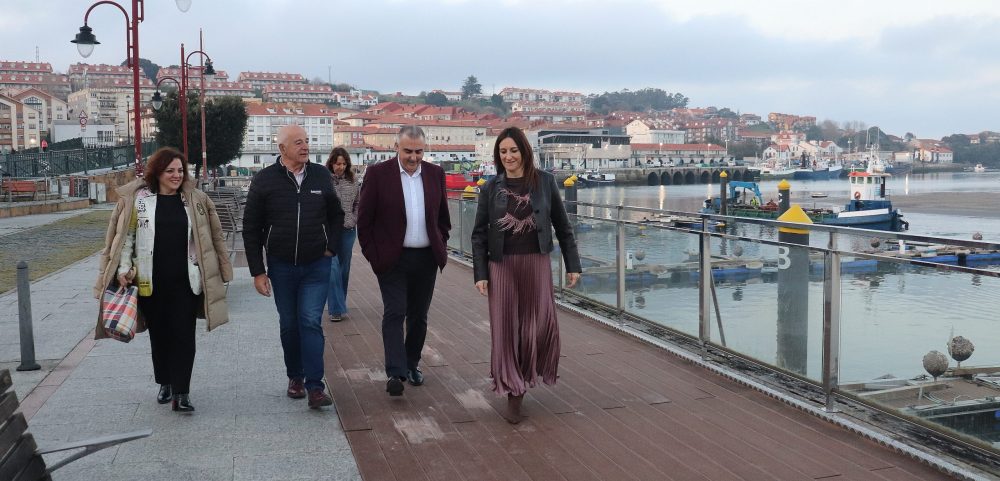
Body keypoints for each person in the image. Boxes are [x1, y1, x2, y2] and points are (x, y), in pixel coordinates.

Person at [94, 147, 232, 413]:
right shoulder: (140, 201)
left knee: (184, 336)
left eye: (180, 170)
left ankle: (182, 392)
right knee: (160, 336)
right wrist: (123, 268)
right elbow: (127, 238)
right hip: (150, 281)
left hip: (186, 280)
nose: (177, 175)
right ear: (157, 173)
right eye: (170, 171)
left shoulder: (194, 199)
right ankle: (165, 382)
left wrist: (220, 269)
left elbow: (212, 236)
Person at [471, 126, 582, 424]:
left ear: (524, 151)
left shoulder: (544, 182)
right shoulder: (491, 187)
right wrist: (480, 273)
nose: (508, 156)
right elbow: (479, 233)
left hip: (536, 262)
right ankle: (513, 389)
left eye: (513, 150)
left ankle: (527, 373)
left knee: (536, 325)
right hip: (501, 265)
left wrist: (573, 264)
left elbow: (562, 226)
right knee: (505, 328)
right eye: (503, 152)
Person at [242, 124, 344, 409]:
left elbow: (337, 215)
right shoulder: (264, 180)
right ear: (282, 148)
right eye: (298, 142)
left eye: (307, 141)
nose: (305, 146)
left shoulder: (321, 175)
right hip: (281, 266)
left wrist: (331, 247)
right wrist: (257, 271)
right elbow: (251, 228)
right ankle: (295, 377)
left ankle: (315, 386)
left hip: (316, 264)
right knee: (289, 324)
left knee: (310, 320)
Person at [357, 125, 451, 397]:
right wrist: (374, 256)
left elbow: (443, 218)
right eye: (408, 151)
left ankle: (411, 364)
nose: (413, 157)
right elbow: (364, 221)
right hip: (392, 259)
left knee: (419, 316)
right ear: (396, 147)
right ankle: (395, 372)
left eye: (419, 151)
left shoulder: (435, 174)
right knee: (395, 311)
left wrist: (441, 243)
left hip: (426, 258)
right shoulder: (377, 174)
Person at [325, 147, 359, 322]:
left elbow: (358, 203)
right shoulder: (324, 179)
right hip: (329, 231)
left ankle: (339, 304)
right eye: (338, 164)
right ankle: (336, 310)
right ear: (331, 163)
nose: (341, 167)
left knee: (344, 270)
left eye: (344, 164)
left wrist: (354, 218)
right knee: (332, 268)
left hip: (348, 230)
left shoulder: (353, 180)